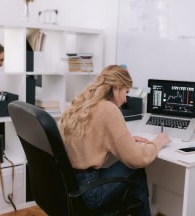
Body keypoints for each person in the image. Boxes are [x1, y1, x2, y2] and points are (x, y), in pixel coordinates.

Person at [59, 64, 171, 215]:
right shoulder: (108, 109)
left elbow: (90, 139)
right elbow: (137, 158)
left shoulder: (82, 104)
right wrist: (157, 143)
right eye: (126, 92)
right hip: (92, 193)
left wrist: (125, 140)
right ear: (117, 87)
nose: (125, 99)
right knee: (135, 168)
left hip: (72, 187)